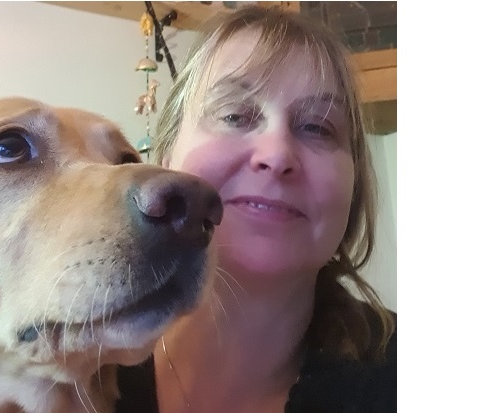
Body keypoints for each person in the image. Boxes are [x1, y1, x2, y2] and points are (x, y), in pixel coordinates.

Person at [116, 5, 396, 413]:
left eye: (317, 126)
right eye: (234, 114)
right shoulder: (72, 368)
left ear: (355, 189)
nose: (277, 153)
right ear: (166, 157)